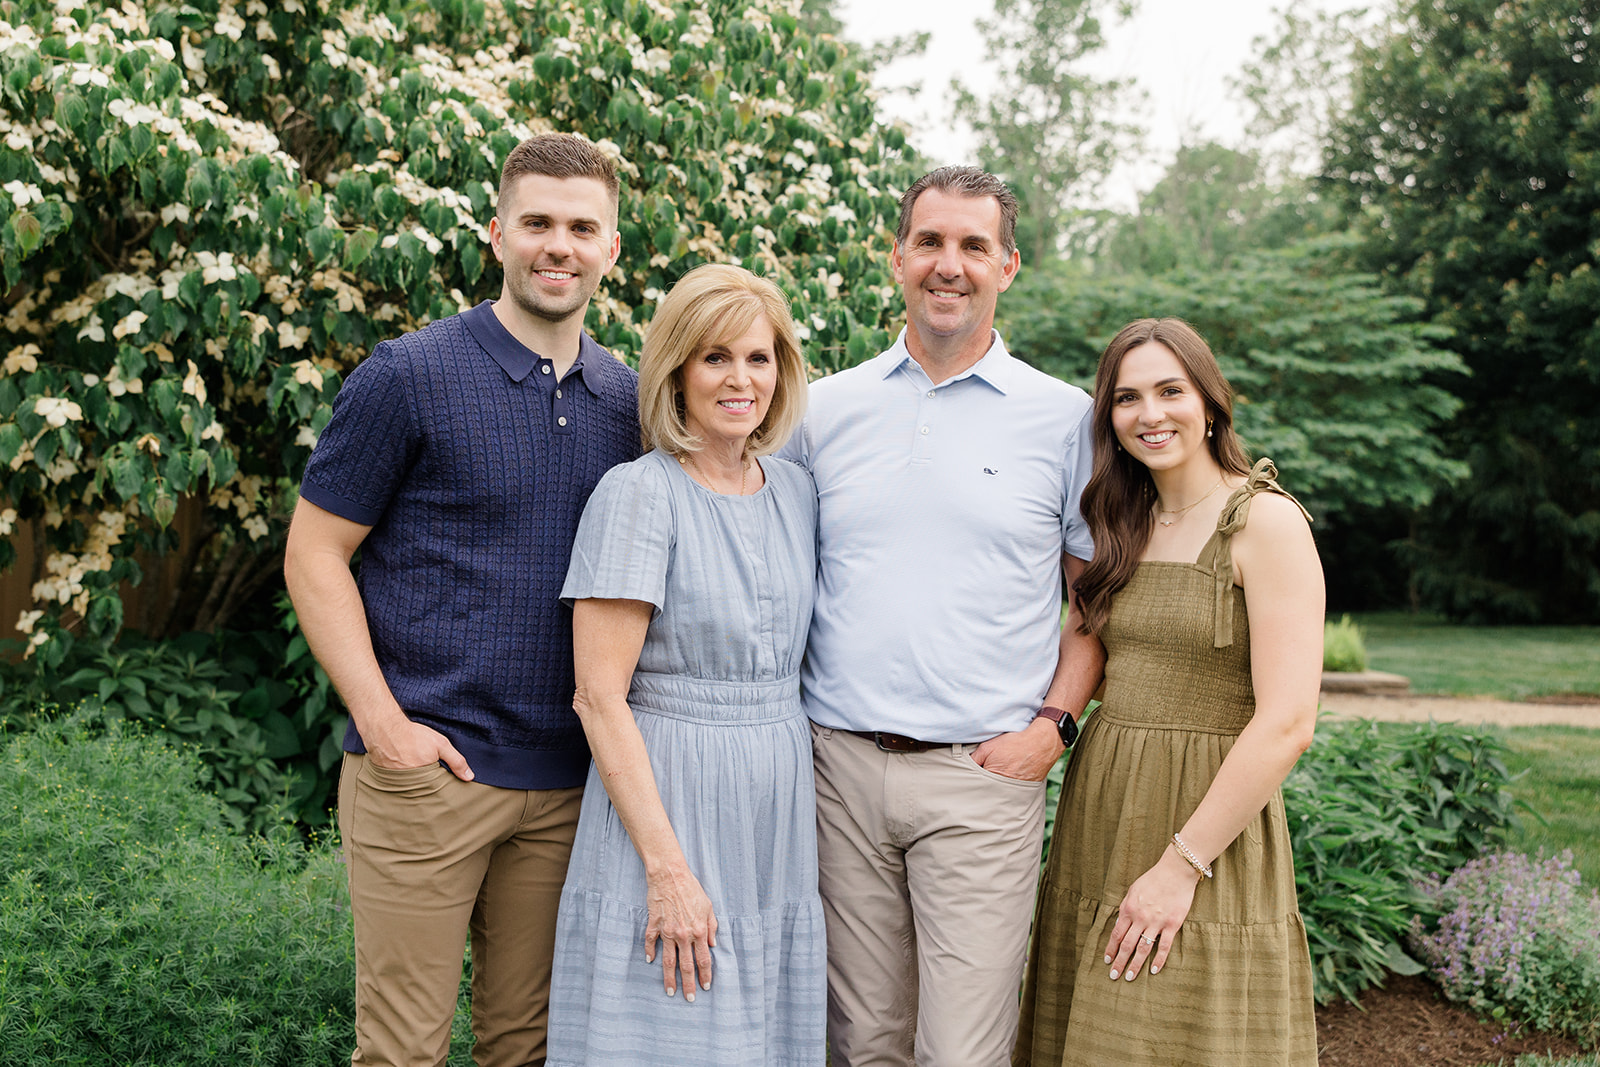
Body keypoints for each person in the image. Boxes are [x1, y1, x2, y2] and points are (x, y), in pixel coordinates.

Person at [283, 133, 639, 1066]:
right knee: (402, 1050)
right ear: (496, 234)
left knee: (528, 1047)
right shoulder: (409, 375)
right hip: (426, 775)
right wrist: (384, 722)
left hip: (567, 786)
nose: (557, 245)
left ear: (611, 248)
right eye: (537, 223)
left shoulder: (631, 404)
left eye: (580, 227)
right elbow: (315, 554)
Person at [778, 166, 1105, 1066]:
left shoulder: (1065, 419)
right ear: (898, 257)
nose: (948, 265)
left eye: (972, 246)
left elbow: (1092, 599)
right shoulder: (820, 408)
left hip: (981, 776)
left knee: (960, 1051)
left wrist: (1053, 726)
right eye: (930, 242)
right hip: (838, 770)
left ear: (1009, 264)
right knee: (862, 1041)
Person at [1013, 317, 1322, 1066]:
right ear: (1109, 421)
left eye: (1170, 391)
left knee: (1183, 1032)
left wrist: (1181, 865)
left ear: (1209, 403)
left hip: (1204, 829)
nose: (1150, 414)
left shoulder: (1265, 522)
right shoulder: (1119, 523)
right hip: (1103, 815)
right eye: (1127, 398)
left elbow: (1287, 723)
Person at [545, 264, 823, 1066]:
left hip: (776, 804)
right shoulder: (639, 494)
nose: (741, 379)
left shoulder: (797, 492)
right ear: (675, 371)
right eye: (715, 358)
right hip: (671, 795)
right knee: (669, 1026)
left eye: (760, 358)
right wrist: (668, 869)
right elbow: (598, 697)